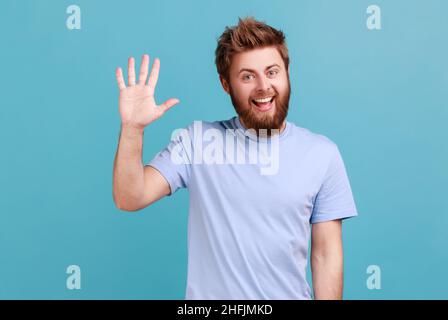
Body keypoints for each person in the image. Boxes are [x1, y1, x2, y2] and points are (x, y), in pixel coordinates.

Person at [113, 17, 358, 300]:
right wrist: (132, 129)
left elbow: (326, 256)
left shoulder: (322, 154)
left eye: (272, 72)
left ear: (287, 73)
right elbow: (129, 197)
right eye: (247, 76)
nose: (264, 86)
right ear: (226, 84)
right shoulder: (197, 142)